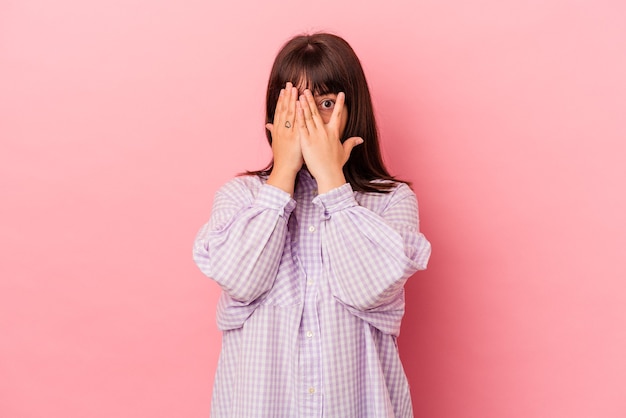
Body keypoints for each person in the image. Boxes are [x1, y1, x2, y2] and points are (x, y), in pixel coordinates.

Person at [193, 32, 431, 418]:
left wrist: (331, 180)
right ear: (275, 113)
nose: (308, 121)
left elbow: (368, 289)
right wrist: (284, 171)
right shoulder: (240, 197)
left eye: (324, 103)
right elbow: (241, 279)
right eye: (295, 105)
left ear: (352, 111)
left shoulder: (391, 201)